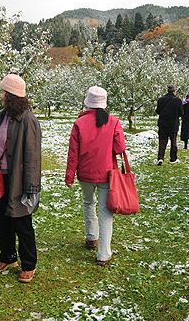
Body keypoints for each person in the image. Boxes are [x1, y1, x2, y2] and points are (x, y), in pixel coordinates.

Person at [0, 74, 41, 283]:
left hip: (18, 180)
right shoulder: (1, 116)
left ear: (12, 95)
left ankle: (28, 264)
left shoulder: (28, 120)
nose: (0, 96)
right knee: (2, 221)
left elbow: (32, 156)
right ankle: (8, 256)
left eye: (3, 92)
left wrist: (30, 186)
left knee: (22, 223)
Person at [65, 86, 126, 266]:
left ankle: (92, 236)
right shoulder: (113, 122)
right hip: (106, 173)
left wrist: (69, 177)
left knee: (88, 203)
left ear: (87, 102)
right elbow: (120, 148)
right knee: (105, 212)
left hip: (85, 173)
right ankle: (103, 253)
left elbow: (73, 153)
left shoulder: (79, 123)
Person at [155, 84, 183, 165]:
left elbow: (158, 111)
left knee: (162, 141)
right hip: (173, 124)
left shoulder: (161, 99)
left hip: (163, 123)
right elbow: (181, 113)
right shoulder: (178, 101)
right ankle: (173, 158)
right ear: (174, 91)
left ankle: (160, 158)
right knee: (173, 142)